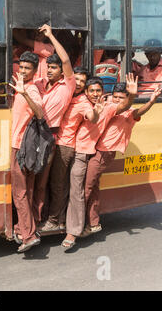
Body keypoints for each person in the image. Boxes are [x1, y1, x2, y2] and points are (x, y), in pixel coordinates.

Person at [62, 74, 137, 251]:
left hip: (85, 152)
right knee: (77, 187)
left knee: (81, 190)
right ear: (86, 92)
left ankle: (73, 231)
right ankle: (90, 222)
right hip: (72, 149)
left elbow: (124, 107)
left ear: (103, 92)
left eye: (98, 91)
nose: (95, 94)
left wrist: (132, 95)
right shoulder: (81, 101)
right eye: (92, 91)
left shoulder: (109, 106)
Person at [81, 82, 162, 238]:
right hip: (95, 150)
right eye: (115, 97)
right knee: (93, 188)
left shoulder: (129, 112)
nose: (117, 100)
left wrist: (151, 101)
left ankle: (78, 223)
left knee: (86, 188)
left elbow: (140, 111)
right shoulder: (108, 107)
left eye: (121, 98)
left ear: (127, 99)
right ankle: (93, 223)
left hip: (104, 153)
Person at [40, 67, 101, 232]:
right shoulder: (67, 94)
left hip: (65, 146)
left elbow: (91, 116)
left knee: (57, 184)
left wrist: (96, 113)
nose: (79, 83)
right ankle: (60, 220)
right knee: (57, 184)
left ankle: (54, 221)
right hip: (54, 142)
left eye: (83, 80)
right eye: (77, 79)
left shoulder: (83, 102)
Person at [32, 24, 76, 226]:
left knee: (44, 182)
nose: (50, 71)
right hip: (34, 134)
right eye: (49, 67)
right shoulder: (41, 83)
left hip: (51, 137)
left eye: (54, 68)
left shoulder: (67, 85)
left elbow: (65, 59)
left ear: (62, 71)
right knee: (33, 180)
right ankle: (35, 218)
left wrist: (50, 36)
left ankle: (47, 219)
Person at [8, 51, 44, 253]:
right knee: (27, 191)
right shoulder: (23, 86)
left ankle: (28, 236)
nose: (22, 71)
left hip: (21, 147)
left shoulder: (31, 90)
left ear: (35, 70)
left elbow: (39, 113)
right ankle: (24, 230)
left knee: (20, 193)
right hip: (24, 147)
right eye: (21, 67)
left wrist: (24, 93)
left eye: (27, 68)